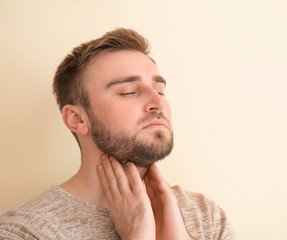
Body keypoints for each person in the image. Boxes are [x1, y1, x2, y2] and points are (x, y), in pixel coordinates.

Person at [0, 28, 236, 239]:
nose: (158, 102)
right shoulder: (27, 232)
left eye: (160, 91)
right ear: (78, 119)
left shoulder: (206, 218)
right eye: (129, 91)